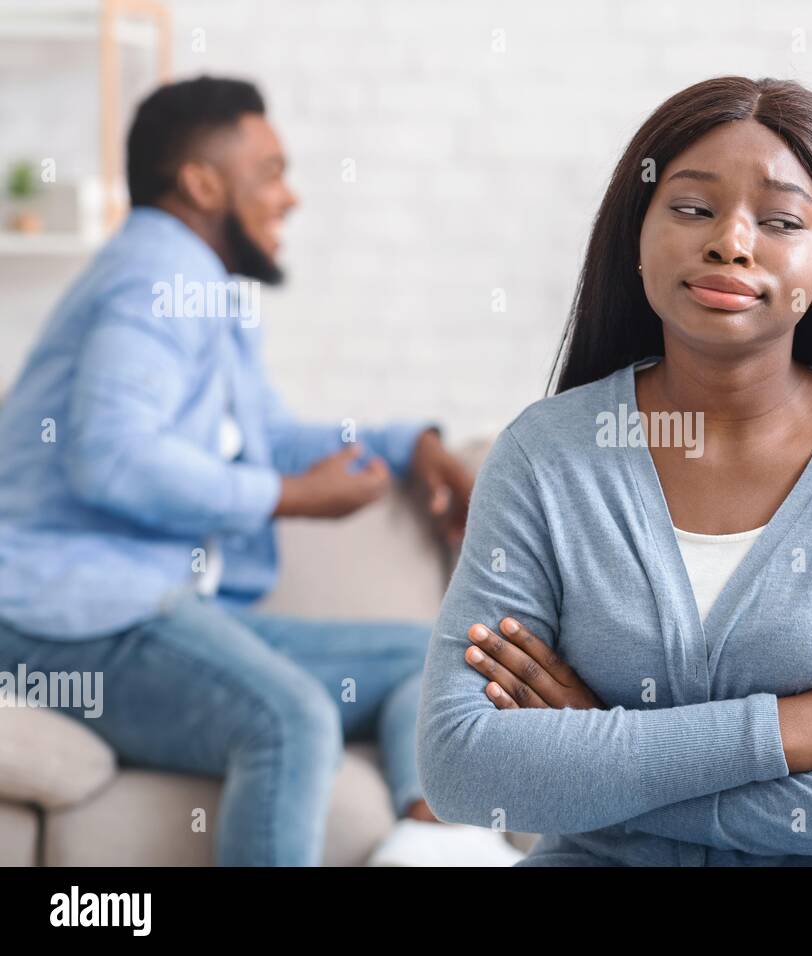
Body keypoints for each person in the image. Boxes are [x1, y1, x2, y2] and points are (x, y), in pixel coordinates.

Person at [416, 76, 812, 866]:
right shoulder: (542, 457)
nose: (730, 241)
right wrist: (783, 731)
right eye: (691, 208)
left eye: (781, 220)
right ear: (637, 236)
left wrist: (604, 756)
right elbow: (461, 767)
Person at [0, 75, 518, 866]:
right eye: (271, 172)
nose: (291, 198)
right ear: (203, 183)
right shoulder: (155, 284)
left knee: (439, 654)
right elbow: (112, 457)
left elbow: (266, 435)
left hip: (146, 611)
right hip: (63, 625)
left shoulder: (202, 288)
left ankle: (427, 845)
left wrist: (413, 442)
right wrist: (290, 499)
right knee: (290, 720)